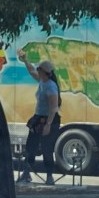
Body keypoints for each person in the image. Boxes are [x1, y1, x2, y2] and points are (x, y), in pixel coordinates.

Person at [16, 50, 61, 186]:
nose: (37, 71)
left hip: (49, 120)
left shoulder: (51, 87)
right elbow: (31, 71)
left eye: (39, 69)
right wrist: (25, 60)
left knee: (47, 149)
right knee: (31, 146)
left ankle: (49, 176)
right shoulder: (42, 81)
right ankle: (26, 173)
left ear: (46, 72)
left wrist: (48, 125)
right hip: (38, 118)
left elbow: (54, 108)